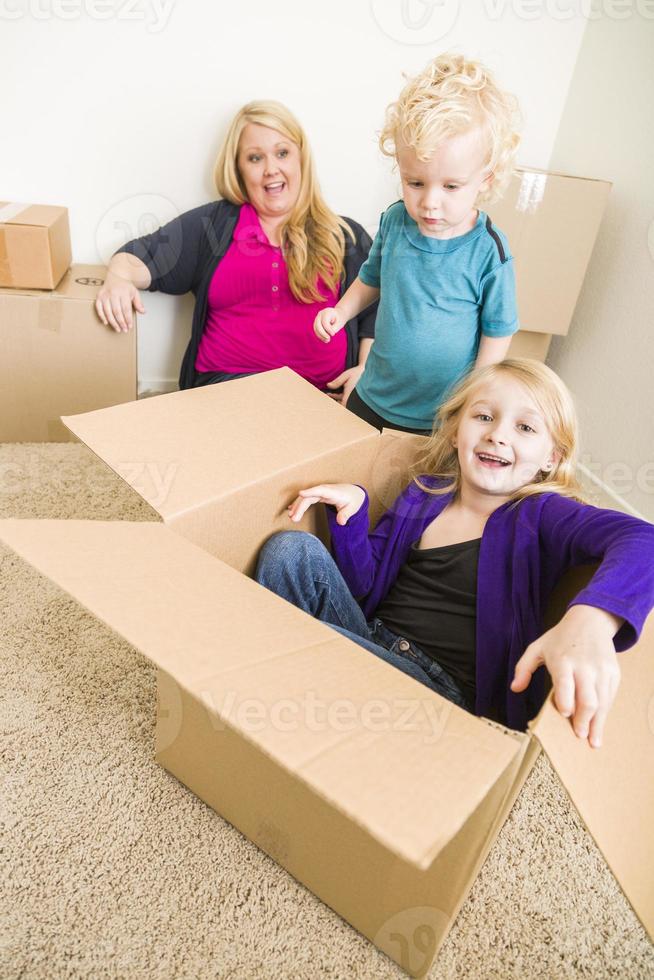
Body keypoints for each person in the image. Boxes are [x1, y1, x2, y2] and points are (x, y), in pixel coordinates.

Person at [255, 359, 654, 746]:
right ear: (454, 431)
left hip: (437, 691)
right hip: (368, 637)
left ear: (551, 458)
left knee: (294, 640)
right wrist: (355, 510)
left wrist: (591, 622)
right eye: (483, 417)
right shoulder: (423, 494)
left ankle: (290, 678)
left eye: (525, 427)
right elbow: (362, 586)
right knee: (290, 550)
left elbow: (643, 541)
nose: (498, 435)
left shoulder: (542, 515)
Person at [95, 101, 376, 400]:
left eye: (282, 153)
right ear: (239, 169)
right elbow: (137, 256)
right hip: (225, 395)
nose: (271, 169)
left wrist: (365, 371)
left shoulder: (345, 236)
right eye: (255, 158)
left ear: (301, 159)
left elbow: (376, 316)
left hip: (322, 398)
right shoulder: (211, 226)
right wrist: (118, 278)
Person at [314, 53, 521, 434]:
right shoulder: (395, 220)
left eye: (451, 186)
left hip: (441, 412)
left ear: (485, 179)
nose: (429, 202)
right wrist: (341, 312)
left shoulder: (489, 251)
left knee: (418, 490)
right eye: (416, 182)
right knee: (354, 477)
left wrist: (478, 398)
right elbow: (371, 278)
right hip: (374, 391)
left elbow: (498, 330)